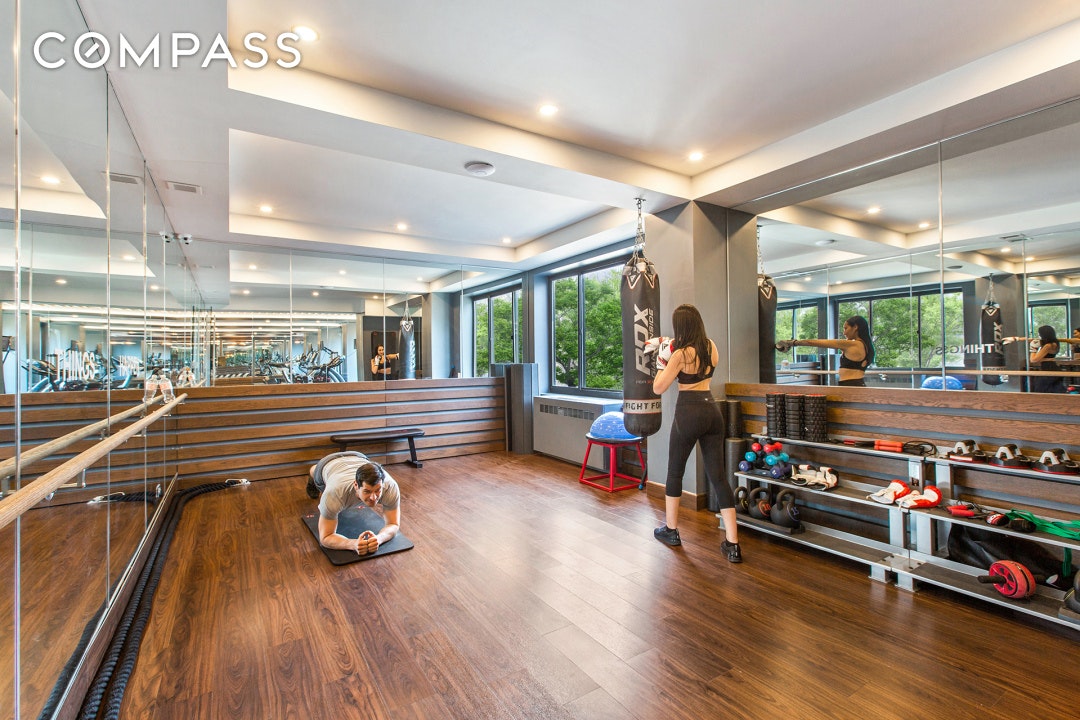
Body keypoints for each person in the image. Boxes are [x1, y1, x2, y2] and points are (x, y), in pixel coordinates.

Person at [649, 304, 742, 562]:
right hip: (711, 410)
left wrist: (662, 360)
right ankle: (733, 543)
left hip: (688, 412)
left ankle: (671, 530)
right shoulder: (711, 347)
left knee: (674, 472)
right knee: (719, 477)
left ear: (680, 326)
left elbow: (658, 388)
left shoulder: (681, 355)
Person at [306, 451, 401, 555]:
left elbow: (393, 524)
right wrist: (352, 544)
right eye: (367, 491)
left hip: (358, 457)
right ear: (356, 485)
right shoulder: (334, 494)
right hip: (327, 463)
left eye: (378, 490)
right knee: (315, 472)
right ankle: (312, 473)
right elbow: (325, 537)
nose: (373, 498)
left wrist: (379, 539)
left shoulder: (390, 487)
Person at [777, 315, 874, 387]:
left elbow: (813, 342)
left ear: (855, 327)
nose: (844, 333)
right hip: (856, 384)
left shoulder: (853, 344)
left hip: (851, 385)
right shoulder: (865, 346)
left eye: (846, 328)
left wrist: (792, 343)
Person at [1028, 325, 1066, 394]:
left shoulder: (1048, 346)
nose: (1039, 336)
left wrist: (1033, 348)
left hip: (1049, 370)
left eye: (1040, 335)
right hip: (1051, 369)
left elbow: (1033, 360)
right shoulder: (1055, 343)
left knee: (1041, 392)